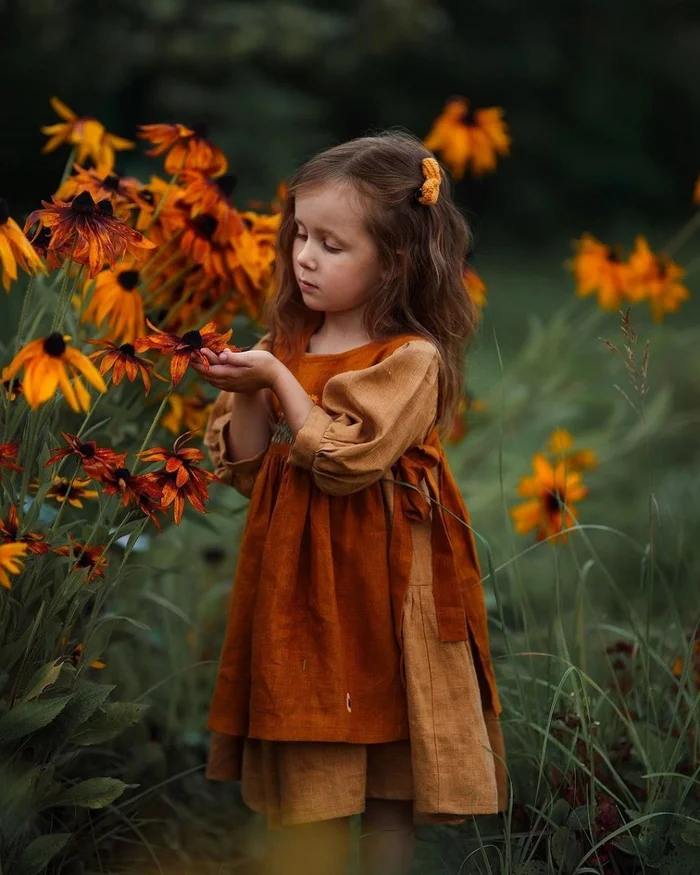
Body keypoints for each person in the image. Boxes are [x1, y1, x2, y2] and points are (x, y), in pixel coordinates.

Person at [190, 130, 507, 875]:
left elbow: (344, 458)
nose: (304, 256)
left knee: (391, 771)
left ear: (394, 259)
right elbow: (243, 464)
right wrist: (252, 389)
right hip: (302, 592)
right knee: (313, 760)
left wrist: (276, 377)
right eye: (300, 234)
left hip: (388, 587)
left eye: (332, 244)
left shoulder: (410, 356)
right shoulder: (291, 338)